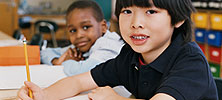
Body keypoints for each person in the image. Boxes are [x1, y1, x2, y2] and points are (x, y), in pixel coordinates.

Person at [17, 0, 218, 100]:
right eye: (127, 11)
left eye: (150, 11)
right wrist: (43, 94)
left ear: (178, 19)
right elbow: (79, 81)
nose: (136, 23)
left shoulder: (190, 61)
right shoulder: (130, 57)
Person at [40, 0, 124, 76]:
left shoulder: (108, 45)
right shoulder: (81, 47)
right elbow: (44, 53)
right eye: (73, 30)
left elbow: (84, 72)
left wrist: (66, 61)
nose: (79, 35)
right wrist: (56, 61)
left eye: (86, 27)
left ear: (103, 27)